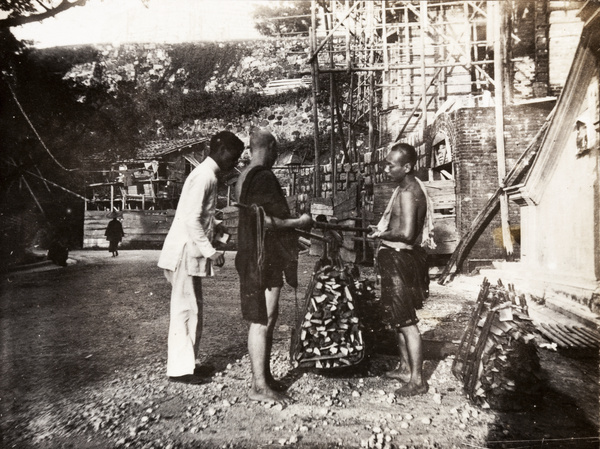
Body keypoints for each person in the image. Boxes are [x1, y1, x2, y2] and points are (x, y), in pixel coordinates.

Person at [158, 130, 244, 385]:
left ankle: (188, 365)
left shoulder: (207, 175)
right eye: (234, 155)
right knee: (185, 311)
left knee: (192, 310)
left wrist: (216, 224)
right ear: (221, 150)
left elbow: (196, 213)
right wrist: (211, 251)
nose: (235, 162)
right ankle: (179, 370)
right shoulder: (205, 176)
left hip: (187, 250)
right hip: (184, 252)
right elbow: (191, 219)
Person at [235, 129, 312, 404]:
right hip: (262, 257)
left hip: (250, 254)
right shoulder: (264, 176)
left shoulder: (243, 176)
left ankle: (264, 377)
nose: (278, 155)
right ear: (269, 146)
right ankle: (258, 385)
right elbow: (265, 222)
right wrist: (299, 224)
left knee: (265, 317)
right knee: (262, 319)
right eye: (276, 150)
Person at [369, 142, 435, 397]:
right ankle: (405, 367)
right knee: (397, 317)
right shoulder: (405, 188)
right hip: (394, 256)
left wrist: (382, 233)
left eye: (391, 165)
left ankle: (417, 380)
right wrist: (382, 233)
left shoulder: (408, 192)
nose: (386, 169)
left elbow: (407, 234)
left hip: (400, 259)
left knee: (406, 321)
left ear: (407, 167)